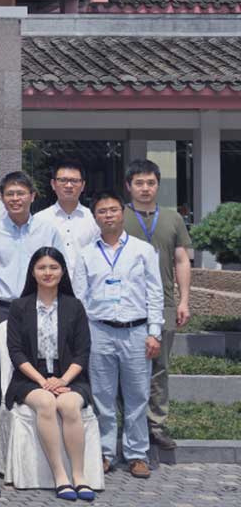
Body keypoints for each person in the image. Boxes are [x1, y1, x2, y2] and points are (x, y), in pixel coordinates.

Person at [75, 191, 163, 479]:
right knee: (103, 396)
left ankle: (137, 454)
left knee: (137, 396)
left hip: (136, 332)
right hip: (99, 331)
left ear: (122, 214)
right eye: (102, 211)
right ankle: (104, 452)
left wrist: (154, 332)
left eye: (113, 210)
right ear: (95, 217)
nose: (108, 215)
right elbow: (80, 297)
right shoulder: (86, 253)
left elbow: (155, 292)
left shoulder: (142, 250)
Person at [5, 247, 95, 501]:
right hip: (30, 377)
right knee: (45, 402)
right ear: (32, 272)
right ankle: (60, 476)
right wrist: (44, 382)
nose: (47, 273)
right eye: (42, 267)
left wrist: (63, 381)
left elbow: (82, 352)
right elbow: (16, 352)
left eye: (53, 267)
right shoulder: (19, 306)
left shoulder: (74, 307)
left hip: (70, 376)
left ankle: (79, 475)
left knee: (68, 404)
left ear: (63, 271)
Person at [0, 172, 67, 427]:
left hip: (40, 306)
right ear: (3, 198)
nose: (15, 199)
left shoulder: (48, 230)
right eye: (10, 194)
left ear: (32, 196)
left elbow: (59, 270)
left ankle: (36, 426)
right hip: (4, 310)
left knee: (38, 365)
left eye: (21, 193)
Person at [122, 159, 191, 452]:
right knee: (125, 367)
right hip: (125, 304)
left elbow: (181, 259)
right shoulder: (117, 215)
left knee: (159, 367)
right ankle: (127, 424)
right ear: (129, 187)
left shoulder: (173, 218)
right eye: (139, 183)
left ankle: (156, 424)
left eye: (150, 183)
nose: (145, 188)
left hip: (162, 303)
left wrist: (184, 300)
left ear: (158, 185)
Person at [34, 160, 99, 279]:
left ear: (83, 185)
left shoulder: (94, 218)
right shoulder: (39, 219)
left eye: (74, 181)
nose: (69, 185)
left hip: (87, 286)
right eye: (63, 180)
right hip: (51, 287)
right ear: (53, 184)